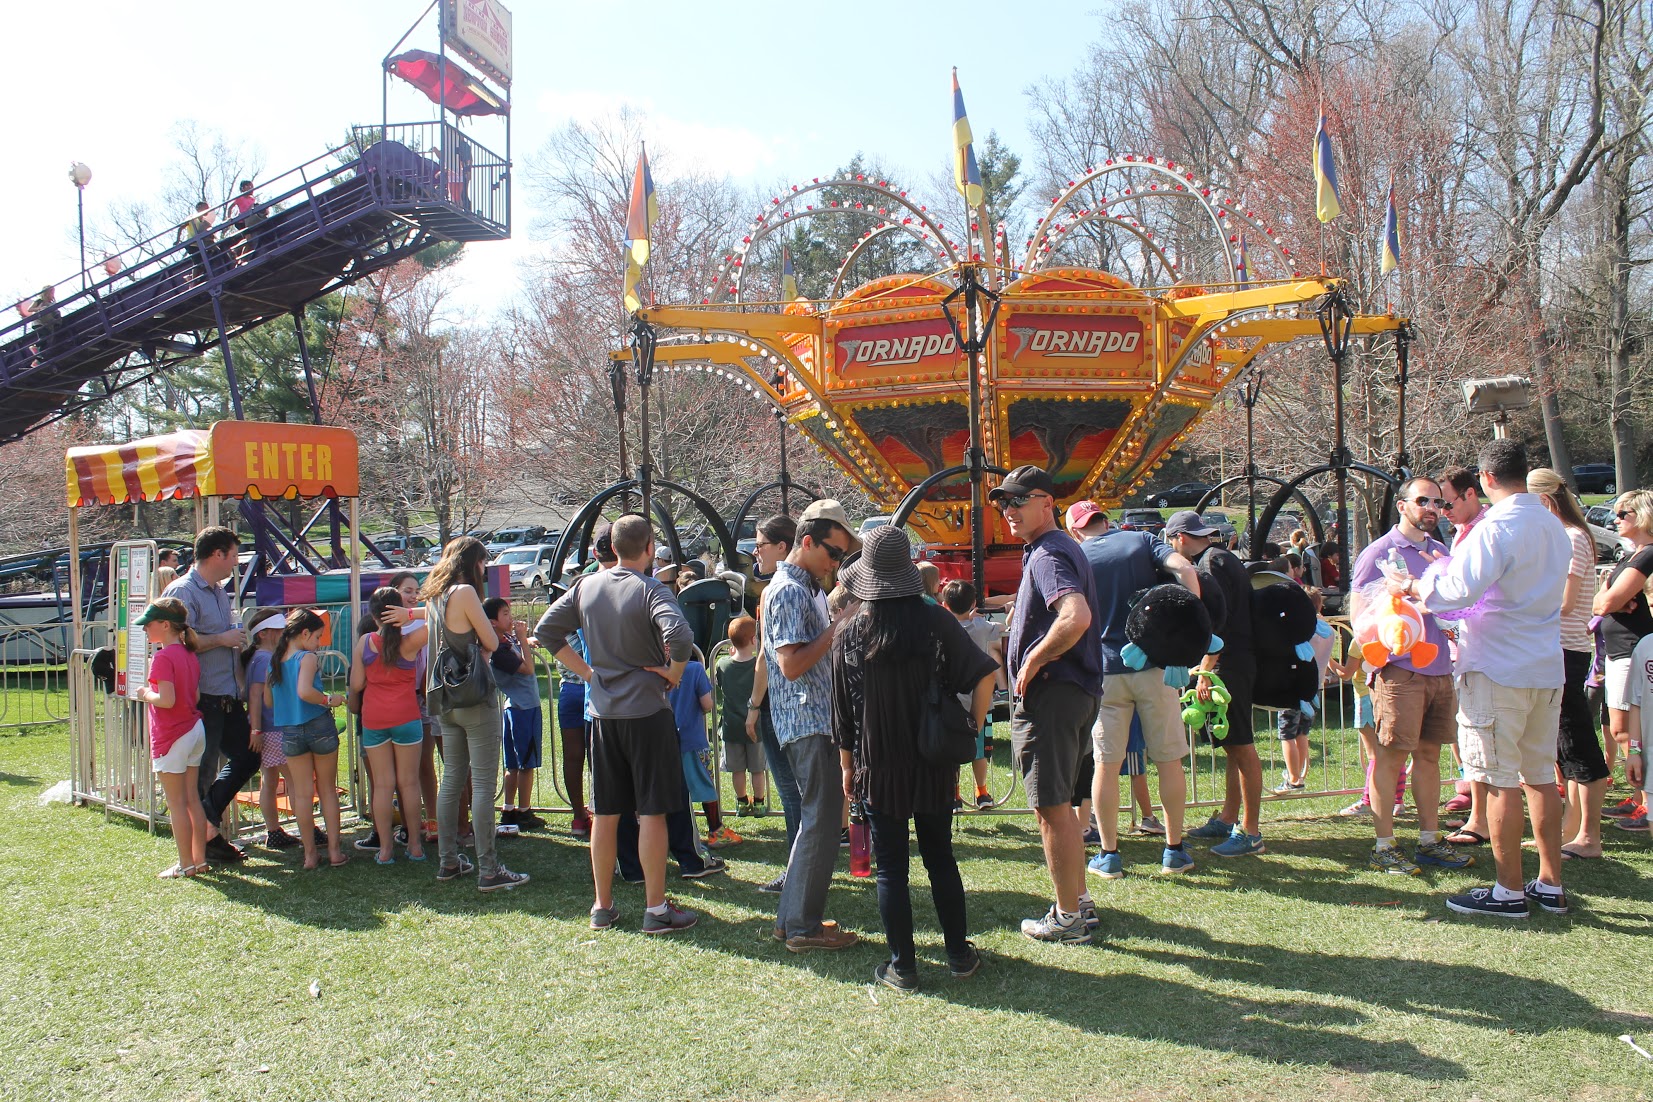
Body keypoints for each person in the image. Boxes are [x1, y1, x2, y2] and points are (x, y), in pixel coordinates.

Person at [1397, 440, 1571, 917]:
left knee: (1498, 781)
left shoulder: (1499, 526)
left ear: (1487, 479)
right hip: (1542, 664)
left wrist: (1417, 584)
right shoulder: (1552, 524)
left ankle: (1508, 890)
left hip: (1497, 666)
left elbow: (1455, 594)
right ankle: (1550, 884)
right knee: (1538, 777)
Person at [832, 526, 997, 990]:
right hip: (932, 759)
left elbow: (842, 712)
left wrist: (848, 767)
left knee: (891, 868)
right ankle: (960, 956)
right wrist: (973, 724)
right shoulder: (937, 621)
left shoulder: (850, 631)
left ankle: (902, 966)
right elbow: (984, 673)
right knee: (940, 857)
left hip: (877, 761)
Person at [537, 514, 700, 934]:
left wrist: (590, 673)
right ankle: (657, 909)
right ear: (649, 548)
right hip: (647, 715)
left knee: (606, 813)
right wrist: (674, 671)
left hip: (603, 716)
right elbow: (681, 637)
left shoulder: (585, 586)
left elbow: (547, 631)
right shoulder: (651, 589)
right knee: (652, 813)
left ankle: (601, 906)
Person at [990, 466, 1103, 944]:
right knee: (1057, 804)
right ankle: (1077, 902)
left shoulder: (1049, 552)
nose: (1008, 511)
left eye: (1018, 501)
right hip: (1071, 692)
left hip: (1054, 695)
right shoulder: (1050, 549)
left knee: (1051, 806)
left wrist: (1032, 659)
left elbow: (1075, 616)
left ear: (1046, 503)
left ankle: (1068, 918)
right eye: (1003, 504)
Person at [1346, 478, 1474, 876]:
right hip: (1400, 672)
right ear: (1402, 506)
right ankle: (1384, 846)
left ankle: (1430, 840)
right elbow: (1359, 617)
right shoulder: (1379, 552)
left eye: (1438, 502)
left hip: (1440, 668)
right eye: (1423, 501)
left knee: (1430, 756)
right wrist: (1383, 656)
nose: (1432, 508)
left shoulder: (1440, 551)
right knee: (1390, 757)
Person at [1065, 499, 1198, 881]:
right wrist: (1193, 622)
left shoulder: (1074, 555)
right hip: (1154, 664)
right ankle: (1174, 849)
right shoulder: (1141, 539)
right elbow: (1184, 567)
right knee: (1168, 759)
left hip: (1104, 670)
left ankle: (1109, 854)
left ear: (1076, 529)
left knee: (1106, 763)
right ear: (1106, 521)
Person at [762, 499, 862, 952]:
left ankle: (793, 922)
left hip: (812, 720)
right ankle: (803, 927)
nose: (838, 564)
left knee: (816, 822)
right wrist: (839, 626)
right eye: (835, 553)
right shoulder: (789, 590)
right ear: (807, 541)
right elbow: (790, 665)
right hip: (807, 721)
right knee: (820, 824)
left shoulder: (801, 587)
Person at [423, 538, 529, 893]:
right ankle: (489, 869)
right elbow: (493, 642)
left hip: (446, 698)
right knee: (482, 783)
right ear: (473, 562)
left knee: (452, 778)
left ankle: (448, 861)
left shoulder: (435, 595)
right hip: (475, 696)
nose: (485, 568)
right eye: (484, 562)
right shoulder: (465, 592)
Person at [1168, 511, 1264, 858]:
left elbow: (1218, 620)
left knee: (1241, 744)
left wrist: (1207, 668)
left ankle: (1250, 831)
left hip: (1229, 663)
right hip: (1233, 660)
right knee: (1231, 744)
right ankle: (1227, 818)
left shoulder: (1211, 563)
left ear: (1178, 538)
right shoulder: (1220, 557)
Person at [1527, 468, 1612, 858]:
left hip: (1568, 650)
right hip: (1555, 648)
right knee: (1564, 742)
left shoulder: (1573, 538)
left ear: (1544, 501)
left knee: (1577, 739)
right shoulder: (1563, 536)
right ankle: (1571, 830)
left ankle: (1589, 838)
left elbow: (1564, 601)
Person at [163, 526, 255, 865]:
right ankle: (201, 847)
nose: (235, 562)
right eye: (233, 555)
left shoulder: (218, 591)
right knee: (199, 776)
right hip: (204, 700)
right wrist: (223, 639)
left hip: (228, 696)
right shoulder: (182, 590)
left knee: (249, 755)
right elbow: (180, 640)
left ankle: (208, 823)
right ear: (217, 554)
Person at [350, 589, 430, 864]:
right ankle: (415, 846)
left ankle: (385, 849)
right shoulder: (412, 641)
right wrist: (412, 614)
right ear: (398, 613)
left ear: (373, 616)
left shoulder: (365, 642)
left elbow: (357, 685)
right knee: (409, 783)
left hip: (375, 719)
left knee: (382, 786)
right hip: (407, 717)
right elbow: (442, 617)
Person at [748, 513, 804, 895]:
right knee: (801, 792)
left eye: (760, 544)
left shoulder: (777, 590)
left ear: (783, 547)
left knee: (790, 793)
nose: (755, 552)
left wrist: (753, 705)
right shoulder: (808, 586)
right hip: (801, 703)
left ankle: (797, 871)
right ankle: (804, 867)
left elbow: (767, 656)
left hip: (778, 704)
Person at [269, 609, 347, 870]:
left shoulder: (276, 659)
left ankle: (310, 854)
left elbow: (269, 700)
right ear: (304, 633)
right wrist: (329, 699)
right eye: (317, 637)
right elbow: (305, 691)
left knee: (301, 793)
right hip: (319, 725)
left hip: (290, 730)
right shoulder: (307, 657)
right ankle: (335, 851)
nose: (318, 643)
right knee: (326, 790)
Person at [134, 599, 207, 879]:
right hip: (194, 728)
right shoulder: (189, 654)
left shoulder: (163, 658)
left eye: (149, 624)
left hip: (173, 734)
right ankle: (198, 859)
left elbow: (166, 700)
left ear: (165, 625)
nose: (146, 630)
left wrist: (144, 694)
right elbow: (195, 696)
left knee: (177, 803)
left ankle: (186, 864)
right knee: (192, 800)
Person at [1438, 466, 1491, 832]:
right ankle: (1471, 797)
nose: (1442, 511)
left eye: (1447, 502)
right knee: (1466, 735)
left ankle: (1481, 820)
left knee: (1486, 744)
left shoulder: (1485, 532)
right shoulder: (1461, 534)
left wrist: (1429, 586)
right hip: (1466, 650)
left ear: (1472, 493)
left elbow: (1468, 597)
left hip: (1489, 654)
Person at [1593, 489, 1653, 803]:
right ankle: (1640, 797)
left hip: (1634, 650)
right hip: (1617, 652)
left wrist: (1608, 600)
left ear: (1641, 515)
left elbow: (1608, 601)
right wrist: (1607, 599)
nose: (1613, 520)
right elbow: (1599, 601)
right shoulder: (1630, 555)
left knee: (1628, 729)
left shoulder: (1647, 554)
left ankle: (1645, 800)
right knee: (1620, 728)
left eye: (1622, 514)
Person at [940, 580, 1003, 811]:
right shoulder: (981, 627)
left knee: (952, 752)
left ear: (945, 604)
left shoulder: (945, 630)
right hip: (981, 700)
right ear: (974, 603)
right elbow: (1004, 627)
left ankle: (954, 795)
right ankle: (982, 792)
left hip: (953, 702)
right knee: (980, 751)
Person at [485, 596, 545, 831]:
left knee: (514, 765)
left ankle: (509, 809)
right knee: (525, 764)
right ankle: (524, 811)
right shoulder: (499, 651)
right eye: (505, 615)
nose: (511, 618)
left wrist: (524, 641)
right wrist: (521, 638)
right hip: (523, 708)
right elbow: (528, 669)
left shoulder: (502, 642)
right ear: (492, 622)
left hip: (514, 707)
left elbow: (515, 648)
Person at [242, 608, 296, 849]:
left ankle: (273, 830)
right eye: (279, 630)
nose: (284, 633)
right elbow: (255, 696)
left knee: (270, 780)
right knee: (294, 780)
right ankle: (307, 827)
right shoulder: (264, 659)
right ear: (264, 634)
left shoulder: (259, 658)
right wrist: (256, 730)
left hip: (268, 728)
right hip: (273, 728)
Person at [716, 616, 769, 817]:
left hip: (731, 727)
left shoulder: (722, 664)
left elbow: (721, 682)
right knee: (757, 769)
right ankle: (759, 803)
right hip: (756, 726)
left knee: (737, 769)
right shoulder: (758, 665)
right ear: (754, 641)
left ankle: (741, 802)